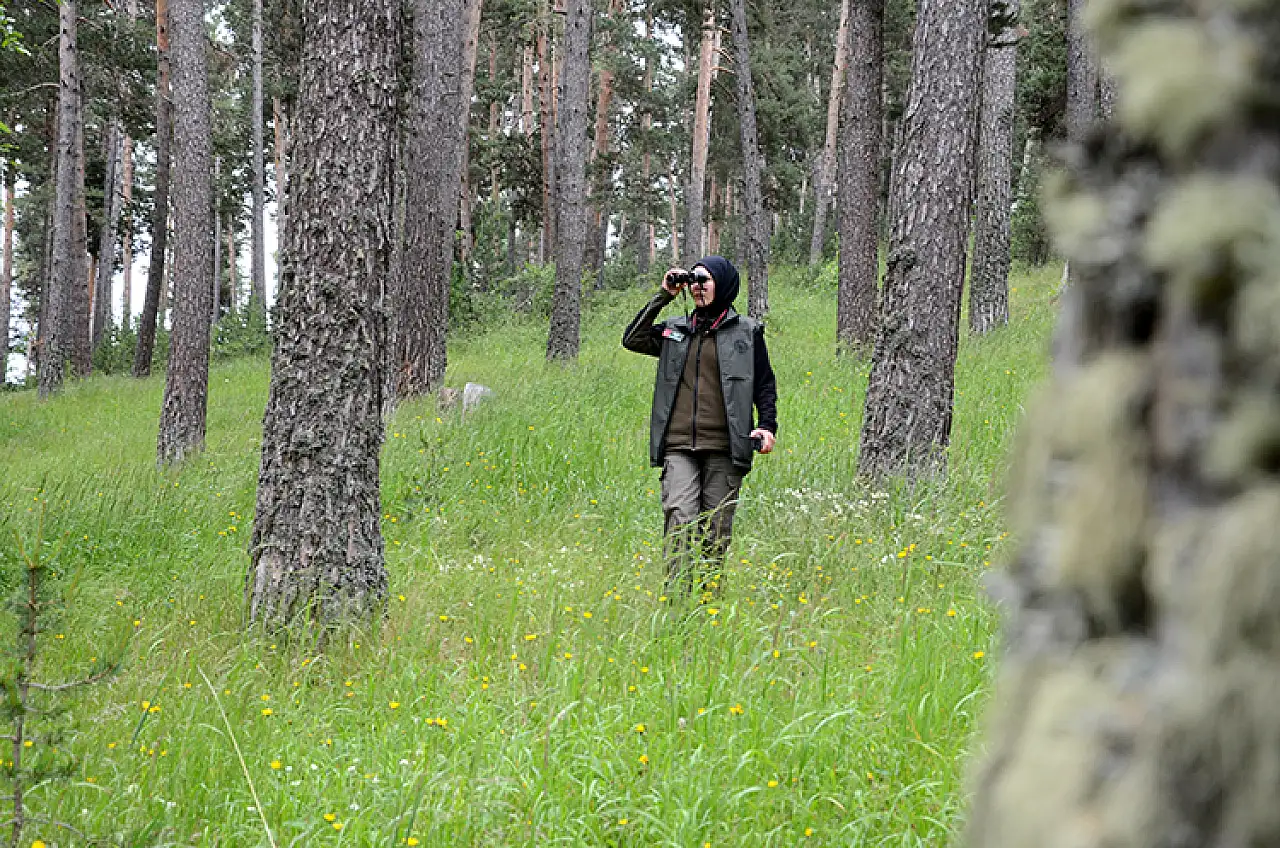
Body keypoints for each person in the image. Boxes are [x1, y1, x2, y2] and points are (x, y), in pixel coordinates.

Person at [622, 256, 778, 599]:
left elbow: (764, 383)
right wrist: (664, 294)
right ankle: (676, 603)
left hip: (726, 446)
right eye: (692, 281)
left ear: (722, 285)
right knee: (679, 516)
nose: (696, 287)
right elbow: (632, 338)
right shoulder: (676, 329)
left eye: (703, 280)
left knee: (715, 532)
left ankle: (708, 605)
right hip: (679, 445)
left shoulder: (747, 333)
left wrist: (767, 426)